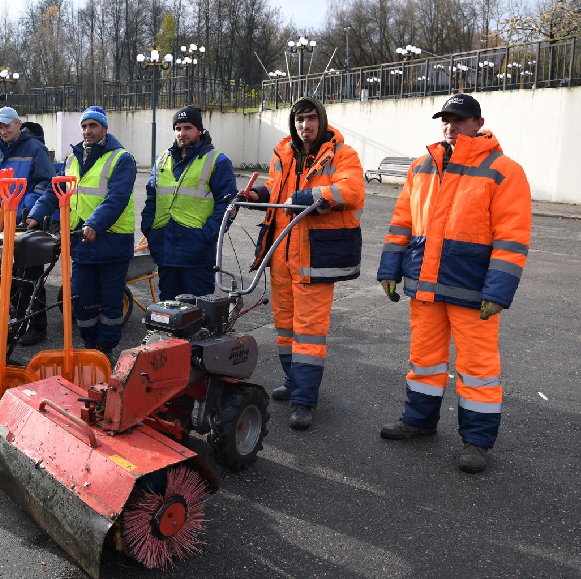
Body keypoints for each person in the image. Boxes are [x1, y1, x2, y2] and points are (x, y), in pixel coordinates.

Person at [377, 94, 531, 474]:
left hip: (473, 292)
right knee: (424, 360)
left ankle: (476, 442)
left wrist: (498, 292)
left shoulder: (504, 170)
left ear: (478, 124)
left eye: (459, 120)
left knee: (478, 368)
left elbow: (511, 238)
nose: (451, 126)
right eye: (445, 119)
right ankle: (419, 420)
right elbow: (401, 223)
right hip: (425, 288)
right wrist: (389, 269)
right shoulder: (422, 167)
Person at [243, 97, 364, 431]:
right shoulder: (282, 153)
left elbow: (350, 191)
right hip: (281, 256)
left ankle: (304, 401)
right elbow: (276, 190)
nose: (305, 126)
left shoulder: (342, 154)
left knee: (309, 332)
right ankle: (294, 381)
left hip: (314, 258)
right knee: (285, 327)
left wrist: (306, 198)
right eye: (299, 120)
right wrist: (255, 196)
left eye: (311, 119)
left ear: (321, 121)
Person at [27, 106, 136, 356]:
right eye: (85, 126)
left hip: (111, 242)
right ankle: (89, 348)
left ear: (105, 129)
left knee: (110, 303)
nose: (88, 131)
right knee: (81, 300)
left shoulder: (121, 159)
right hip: (82, 242)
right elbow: (55, 190)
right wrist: (35, 214)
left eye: (93, 126)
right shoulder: (73, 158)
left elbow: (117, 198)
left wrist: (94, 224)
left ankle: (105, 349)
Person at [140, 105, 237, 301]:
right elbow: (152, 198)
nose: (182, 133)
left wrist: (208, 235)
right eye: (178, 128)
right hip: (166, 251)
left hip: (197, 255)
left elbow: (228, 205)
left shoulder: (216, 161)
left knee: (197, 314)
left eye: (187, 128)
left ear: (199, 131)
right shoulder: (162, 160)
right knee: (168, 312)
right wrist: (149, 228)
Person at [0, 106, 56, 345]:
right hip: (2, 224)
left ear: (18, 124)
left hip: (25, 224)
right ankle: (14, 324)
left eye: (6, 125)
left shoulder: (34, 149)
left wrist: (27, 210)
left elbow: (47, 183)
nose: (2, 129)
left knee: (30, 277)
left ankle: (38, 327)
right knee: (7, 278)